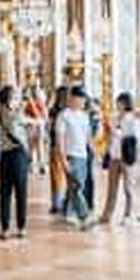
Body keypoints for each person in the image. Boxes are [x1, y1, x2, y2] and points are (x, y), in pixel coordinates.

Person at [56, 85, 94, 229]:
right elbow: (60, 138)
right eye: (80, 98)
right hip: (71, 155)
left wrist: (95, 152)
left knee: (76, 186)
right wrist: (63, 159)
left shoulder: (84, 116)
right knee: (76, 186)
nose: (82, 101)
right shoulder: (64, 115)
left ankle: (68, 212)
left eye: (84, 98)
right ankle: (84, 215)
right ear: (72, 98)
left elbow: (87, 136)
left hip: (83, 155)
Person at [0, 85, 32, 239]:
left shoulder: (1, 112)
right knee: (20, 191)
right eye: (16, 97)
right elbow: (19, 127)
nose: (18, 100)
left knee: (6, 193)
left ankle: (6, 228)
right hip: (17, 154)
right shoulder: (13, 114)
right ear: (10, 99)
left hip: (5, 155)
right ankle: (20, 227)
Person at [98, 92, 138, 225]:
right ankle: (107, 214)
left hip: (126, 156)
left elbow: (128, 136)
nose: (118, 105)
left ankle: (129, 214)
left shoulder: (131, 118)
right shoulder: (116, 117)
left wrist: (113, 129)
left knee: (128, 187)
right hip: (115, 156)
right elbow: (112, 138)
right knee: (112, 187)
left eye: (120, 102)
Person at [48, 86, 68, 213]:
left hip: (57, 145)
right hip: (61, 146)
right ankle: (58, 202)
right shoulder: (62, 111)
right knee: (59, 176)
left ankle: (57, 202)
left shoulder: (55, 111)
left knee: (57, 176)